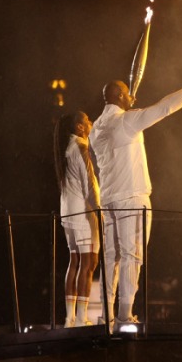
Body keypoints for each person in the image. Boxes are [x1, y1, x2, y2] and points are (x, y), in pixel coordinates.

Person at [90, 72, 182, 330]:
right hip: (131, 197)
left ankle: (107, 316)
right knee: (132, 256)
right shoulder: (126, 122)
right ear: (120, 96)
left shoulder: (96, 129)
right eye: (127, 92)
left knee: (111, 257)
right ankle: (124, 316)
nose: (132, 95)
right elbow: (165, 107)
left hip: (108, 200)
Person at [53, 111, 101, 327]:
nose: (91, 123)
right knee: (89, 262)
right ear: (80, 127)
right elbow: (89, 181)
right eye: (87, 121)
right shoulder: (80, 147)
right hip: (82, 212)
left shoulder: (66, 147)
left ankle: (70, 318)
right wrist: (100, 209)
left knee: (75, 261)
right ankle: (82, 318)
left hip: (68, 211)